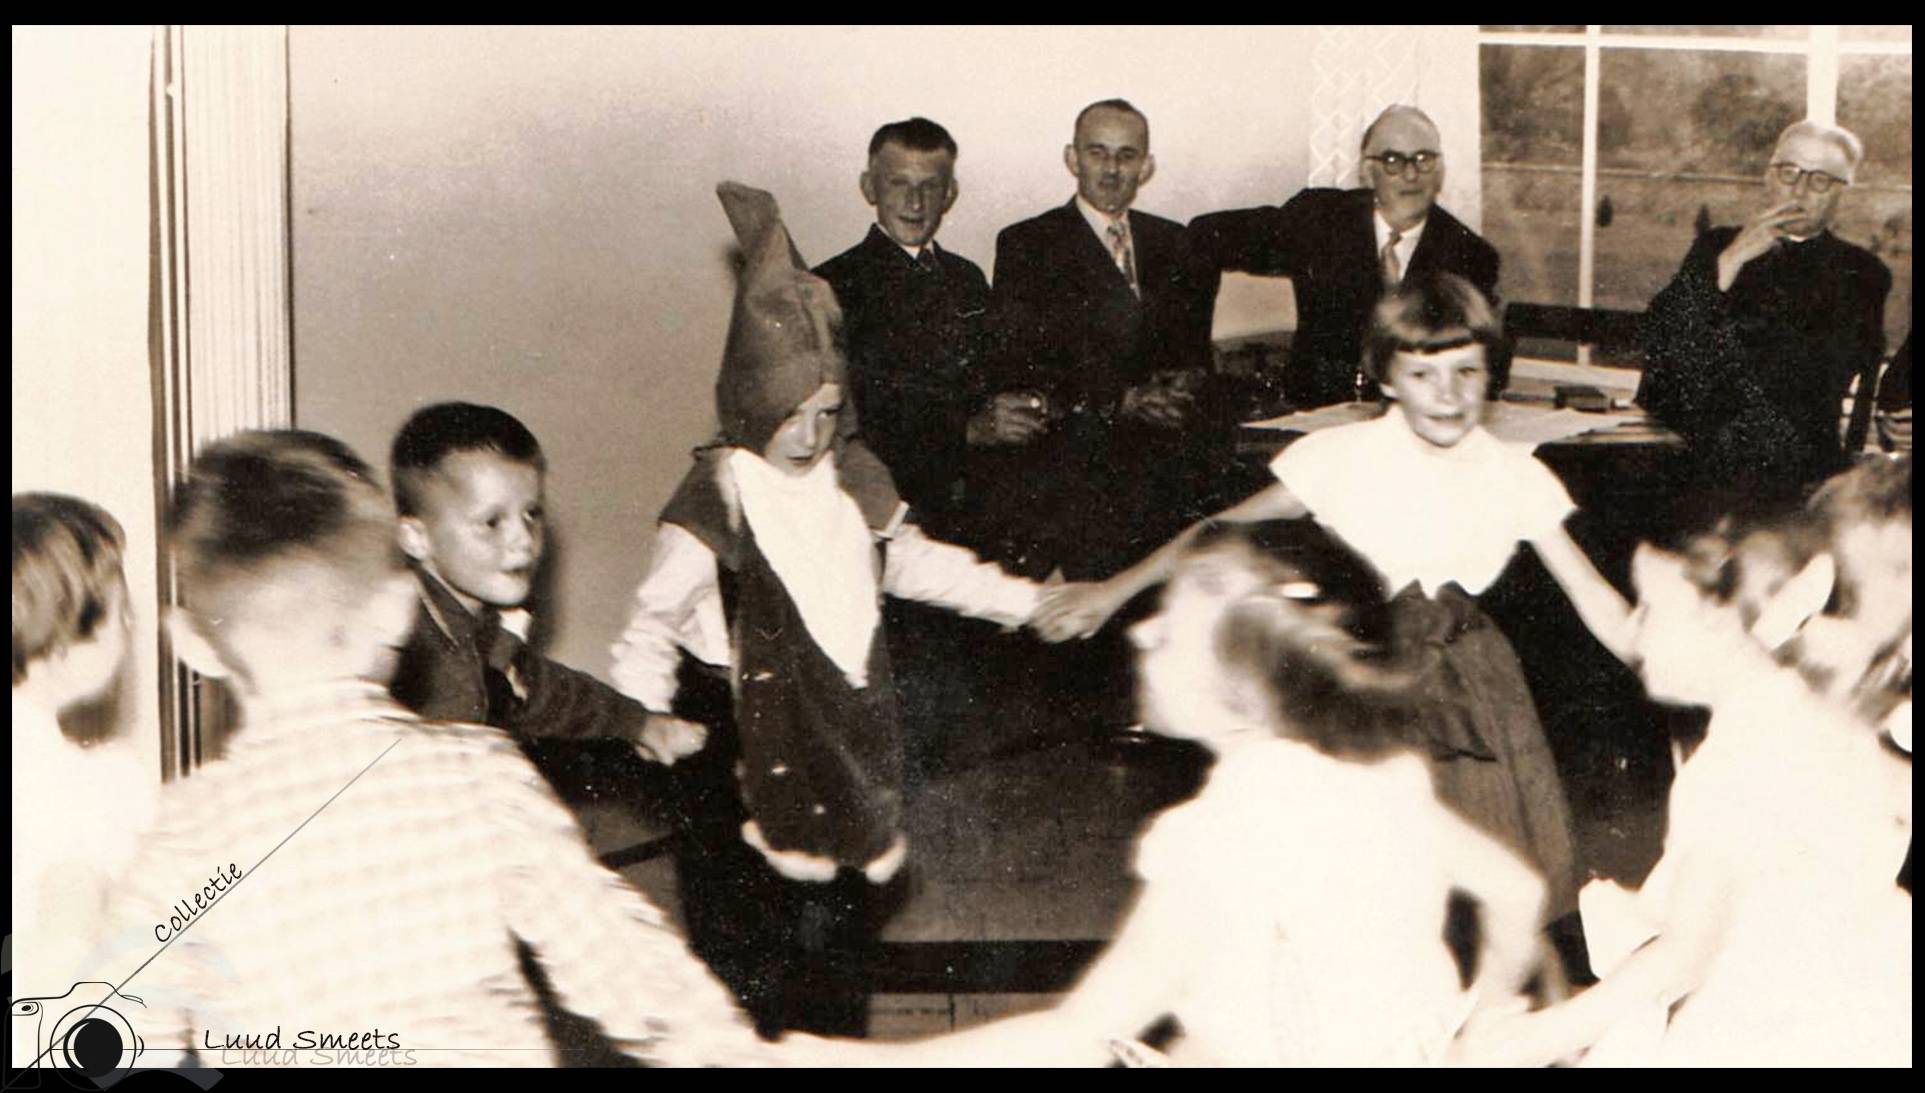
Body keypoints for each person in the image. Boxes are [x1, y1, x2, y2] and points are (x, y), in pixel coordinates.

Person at [117, 431, 764, 1067]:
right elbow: (624, 965)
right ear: (398, 608)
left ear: (192, 644)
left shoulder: (184, 832)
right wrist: (741, 1052)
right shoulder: (479, 776)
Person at [783, 531, 1548, 1066]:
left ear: (1244, 691)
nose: (1141, 633)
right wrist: (1476, 1022)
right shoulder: (1382, 774)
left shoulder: (1219, 832)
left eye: (1171, 631)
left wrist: (853, 1061)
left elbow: (1078, 1035)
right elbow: (1517, 891)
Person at [1039, 275, 1636, 938]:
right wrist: (1111, 591)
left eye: (1467, 371)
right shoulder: (1338, 457)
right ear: (1385, 378)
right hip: (1357, 679)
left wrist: (1675, 660)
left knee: (1484, 877)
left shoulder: (1515, 471)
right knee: (1350, 875)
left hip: (1475, 692)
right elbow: (1216, 534)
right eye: (1423, 374)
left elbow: (1592, 595)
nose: (1448, 394)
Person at [609, 182, 1043, 1037]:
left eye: (826, 415)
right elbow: (652, 623)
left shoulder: (850, 483)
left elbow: (912, 562)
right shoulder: (717, 499)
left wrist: (1024, 599)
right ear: (749, 405)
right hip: (730, 741)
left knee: (837, 935)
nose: (809, 439)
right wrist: (645, 717)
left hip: (836, 729)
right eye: (790, 417)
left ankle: (830, 1042)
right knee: (746, 945)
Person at [1453, 514, 1912, 1067]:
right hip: (1866, 994)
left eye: (1651, 609)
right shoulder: (1808, 708)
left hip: (1787, 1024)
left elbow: (1686, 953)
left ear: (1718, 622)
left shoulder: (1736, 761)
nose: (1637, 629)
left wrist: (1535, 1039)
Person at [387, 401, 704, 762]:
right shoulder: (411, 646)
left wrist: (642, 724)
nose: (524, 538)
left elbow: (544, 692)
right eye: (492, 522)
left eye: (532, 513)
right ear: (416, 538)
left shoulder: (479, 626)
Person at [978, 98, 1214, 579]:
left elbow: (1192, 348)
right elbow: (1020, 366)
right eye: (1097, 152)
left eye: (1126, 156)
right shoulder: (1029, 243)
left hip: (1166, 461)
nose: (1111, 170)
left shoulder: (1173, 241)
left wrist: (1185, 382)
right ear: (1072, 159)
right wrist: (1120, 400)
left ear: (1146, 167)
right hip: (1078, 466)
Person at [1638, 120, 1891, 512]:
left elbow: (1811, 381)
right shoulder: (1717, 246)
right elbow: (1657, 344)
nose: (1798, 190)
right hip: (1690, 447)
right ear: (1768, 177)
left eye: (1819, 180)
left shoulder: (1861, 272)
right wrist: (1731, 261)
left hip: (1791, 462)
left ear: (1843, 191)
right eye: (1789, 172)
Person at [1181, 105, 1501, 408]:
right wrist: (1196, 366)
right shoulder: (1321, 219)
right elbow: (1204, 236)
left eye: (1423, 159)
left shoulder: (1470, 255)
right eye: (1392, 160)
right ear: (1367, 171)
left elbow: (1484, 369)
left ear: (1440, 170)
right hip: (1315, 412)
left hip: (1416, 419)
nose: (1410, 174)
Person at [813, 117, 1001, 533]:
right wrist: (967, 431)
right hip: (886, 510)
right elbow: (853, 417)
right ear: (869, 187)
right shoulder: (832, 283)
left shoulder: (967, 278)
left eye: (930, 186)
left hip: (972, 506)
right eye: (899, 184)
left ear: (950, 194)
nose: (915, 203)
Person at [11, 493, 157, 1006]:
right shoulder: (83, 783)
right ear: (64, 639)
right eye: (122, 613)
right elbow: (66, 967)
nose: (130, 629)